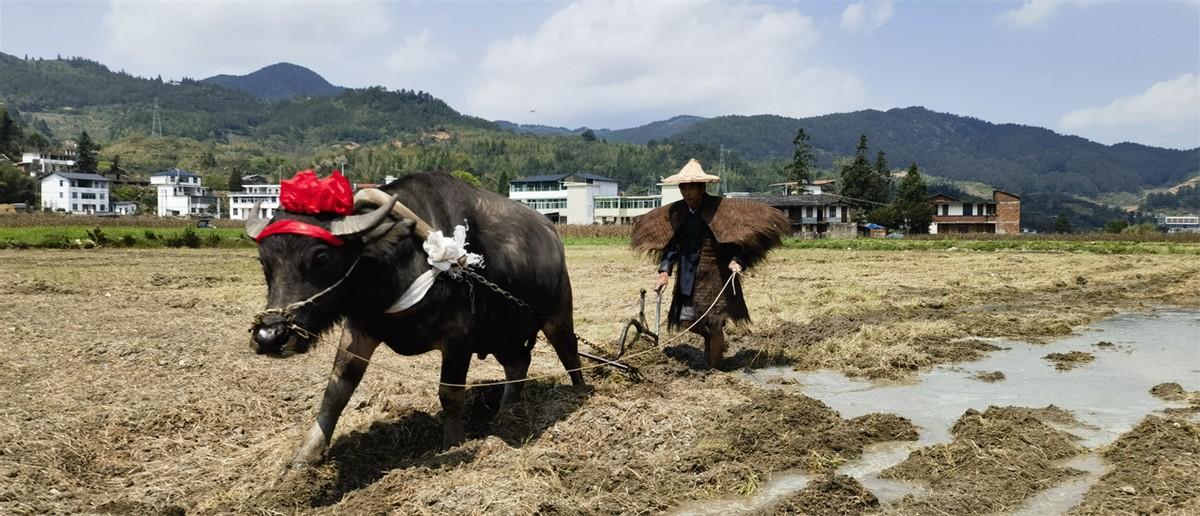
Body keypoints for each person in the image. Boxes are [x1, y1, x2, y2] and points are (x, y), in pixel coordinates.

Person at [632, 159, 790, 368]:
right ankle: (710, 341)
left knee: (715, 324)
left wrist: (736, 261)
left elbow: (733, 240)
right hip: (688, 277)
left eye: (690, 188)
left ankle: (715, 368)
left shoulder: (720, 211)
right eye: (683, 187)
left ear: (701, 188)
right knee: (688, 322)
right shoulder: (679, 213)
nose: (686, 192)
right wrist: (664, 272)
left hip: (716, 277)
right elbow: (672, 247)